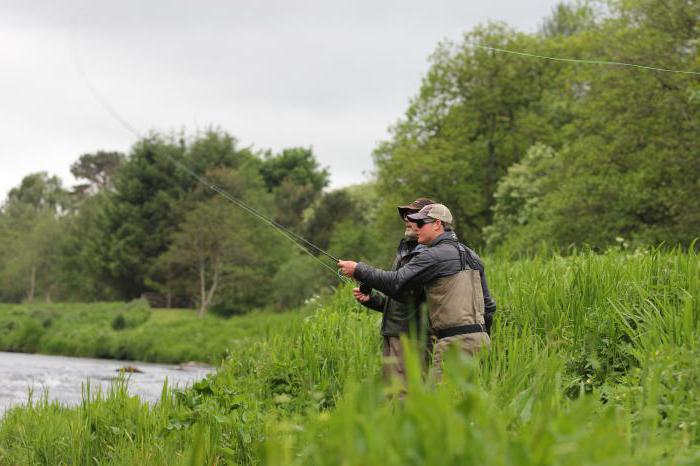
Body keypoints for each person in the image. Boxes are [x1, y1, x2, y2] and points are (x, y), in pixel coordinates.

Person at [338, 203, 495, 379]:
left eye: (420, 223)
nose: (415, 227)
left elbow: (397, 282)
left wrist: (358, 269)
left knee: (444, 403)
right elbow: (488, 306)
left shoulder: (434, 255)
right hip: (481, 341)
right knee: (470, 403)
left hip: (453, 344)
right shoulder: (473, 256)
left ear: (437, 224)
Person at [353, 197, 434, 383]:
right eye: (405, 214)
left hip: (412, 336)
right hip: (394, 331)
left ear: (426, 222)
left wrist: (361, 271)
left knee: (407, 393)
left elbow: (407, 293)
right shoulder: (406, 249)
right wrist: (373, 300)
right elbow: (399, 293)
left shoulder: (426, 254)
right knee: (393, 392)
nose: (406, 218)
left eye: (413, 215)